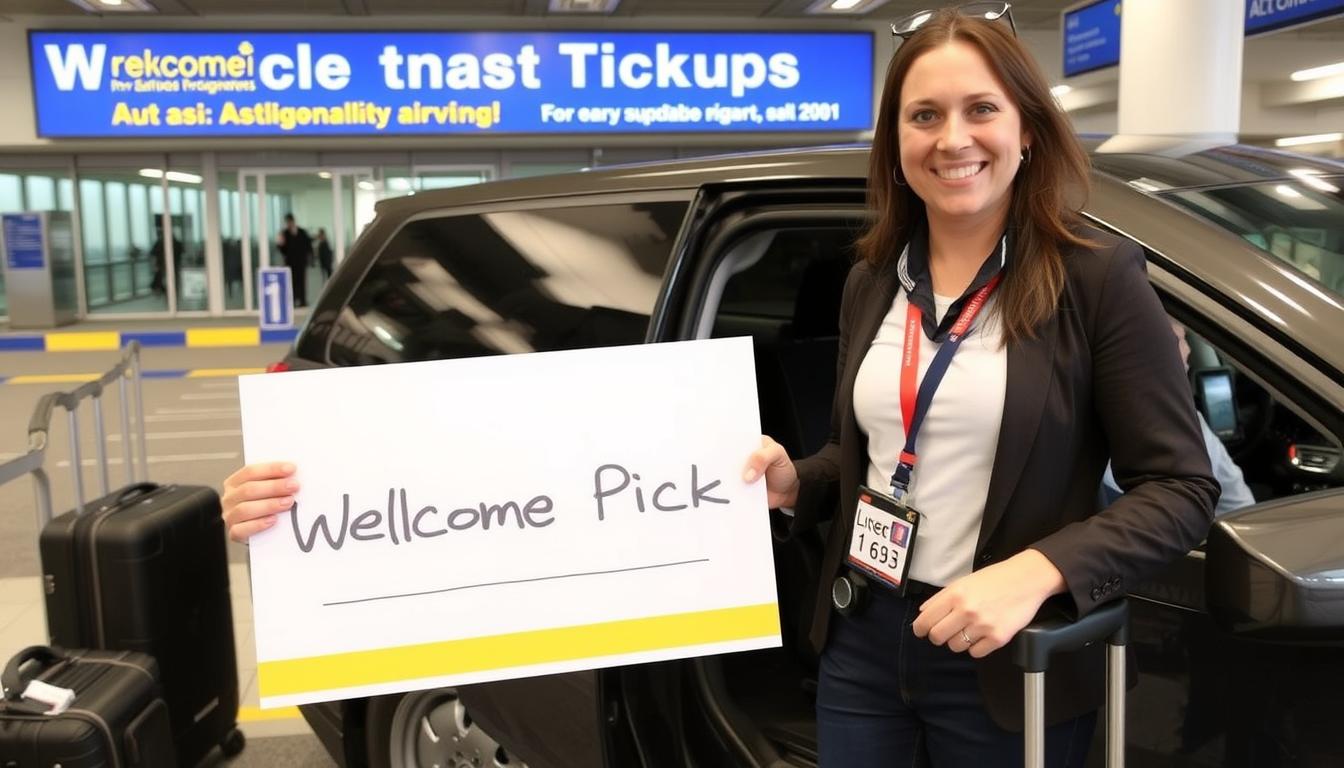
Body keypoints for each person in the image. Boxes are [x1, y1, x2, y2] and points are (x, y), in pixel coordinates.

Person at [738, 6, 1216, 767]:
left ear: (1027, 129)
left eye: (981, 109)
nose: (953, 139)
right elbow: (866, 454)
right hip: (862, 634)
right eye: (923, 115)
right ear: (897, 146)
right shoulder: (871, 281)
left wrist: (1037, 572)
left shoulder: (1097, 281)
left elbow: (1180, 489)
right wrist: (801, 480)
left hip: (1007, 653)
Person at [1101, 318, 1255, 517]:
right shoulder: (1092, 428)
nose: (1188, 350)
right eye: (1178, 340)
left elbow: (1239, 507)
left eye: (1185, 339)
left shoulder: (1194, 423)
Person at [276, 213, 313, 307]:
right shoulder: (285, 233)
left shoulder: (302, 232)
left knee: (301, 282)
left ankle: (302, 301)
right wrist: (280, 244)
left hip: (301, 262)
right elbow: (283, 250)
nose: (288, 224)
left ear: (293, 221)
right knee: (291, 282)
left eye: (289, 222)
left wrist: (309, 257)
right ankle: (292, 301)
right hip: (290, 262)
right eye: (287, 222)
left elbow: (308, 246)